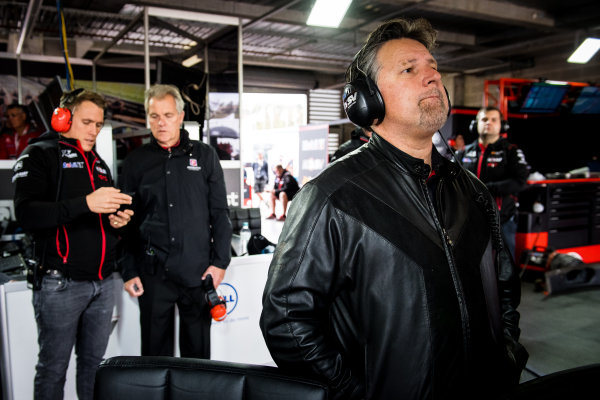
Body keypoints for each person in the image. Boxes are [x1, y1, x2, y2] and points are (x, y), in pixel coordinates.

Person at [260, 17, 526, 400]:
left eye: (433, 68)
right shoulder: (331, 198)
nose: (432, 77)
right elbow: (287, 318)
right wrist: (355, 393)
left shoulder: (474, 193)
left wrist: (508, 359)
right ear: (367, 100)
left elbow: (504, 292)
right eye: (409, 69)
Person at [12, 89, 134, 400]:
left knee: (95, 367)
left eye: (98, 124)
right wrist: (86, 203)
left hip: (103, 283)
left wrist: (117, 223)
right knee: (53, 368)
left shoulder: (99, 164)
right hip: (59, 284)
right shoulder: (38, 154)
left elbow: (101, 217)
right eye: (87, 122)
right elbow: (27, 214)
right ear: (62, 118)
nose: (93, 130)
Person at [120, 84, 232, 358]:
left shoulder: (204, 156)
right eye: (154, 116)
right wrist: (128, 269)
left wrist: (219, 263)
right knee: (155, 358)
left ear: (181, 116)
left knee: (197, 358)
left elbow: (220, 212)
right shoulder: (135, 162)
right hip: (153, 274)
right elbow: (124, 223)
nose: (161, 123)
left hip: (197, 273)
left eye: (168, 115)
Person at [456, 106, 529, 260]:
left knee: (503, 268)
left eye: (493, 119)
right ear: (474, 124)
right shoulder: (463, 152)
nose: (488, 122)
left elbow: (520, 182)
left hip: (502, 221)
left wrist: (486, 189)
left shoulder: (511, 152)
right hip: (469, 220)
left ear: (502, 125)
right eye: (484, 119)